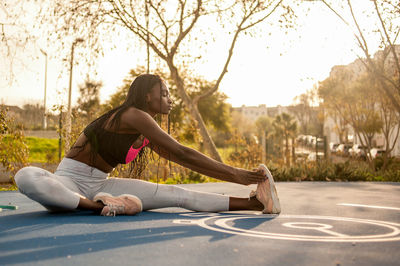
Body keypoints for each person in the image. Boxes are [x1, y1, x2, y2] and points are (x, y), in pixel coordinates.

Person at [14, 74, 281, 216]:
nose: (169, 99)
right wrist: (240, 175)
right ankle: (100, 206)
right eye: (164, 93)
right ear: (147, 96)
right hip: (69, 182)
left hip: (103, 185)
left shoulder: (144, 129)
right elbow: (182, 151)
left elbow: (184, 158)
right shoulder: (132, 115)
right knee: (26, 176)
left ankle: (256, 204)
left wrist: (242, 180)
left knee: (178, 194)